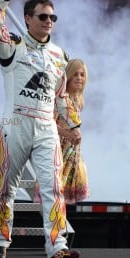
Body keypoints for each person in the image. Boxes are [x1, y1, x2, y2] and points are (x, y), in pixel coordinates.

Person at [0, 0, 82, 258]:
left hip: (46, 129)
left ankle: (56, 248)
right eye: (43, 16)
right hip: (15, 125)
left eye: (52, 16)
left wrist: (72, 124)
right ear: (28, 20)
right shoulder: (12, 45)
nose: (49, 21)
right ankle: (0, 238)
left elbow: (61, 96)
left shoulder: (59, 54)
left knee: (54, 186)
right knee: (6, 186)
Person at [34, 59, 90, 204]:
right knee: (53, 197)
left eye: (82, 75)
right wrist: (69, 135)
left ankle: (60, 223)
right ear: (68, 77)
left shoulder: (78, 100)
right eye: (75, 74)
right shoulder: (60, 99)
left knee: (65, 199)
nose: (79, 78)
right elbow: (49, 122)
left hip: (72, 153)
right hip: (57, 150)